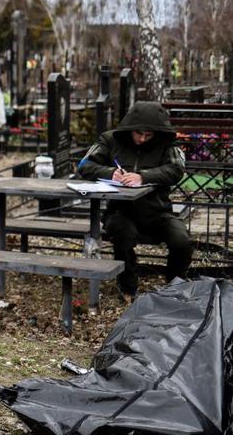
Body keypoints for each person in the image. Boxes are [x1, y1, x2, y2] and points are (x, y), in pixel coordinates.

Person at [77, 101, 191, 299]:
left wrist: (143, 176)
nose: (142, 139)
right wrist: (110, 172)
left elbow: (176, 169)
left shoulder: (166, 143)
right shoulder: (110, 139)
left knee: (181, 241)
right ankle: (127, 285)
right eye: (138, 133)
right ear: (129, 128)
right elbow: (84, 165)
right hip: (120, 211)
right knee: (123, 235)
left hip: (157, 211)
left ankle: (175, 284)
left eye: (148, 135)